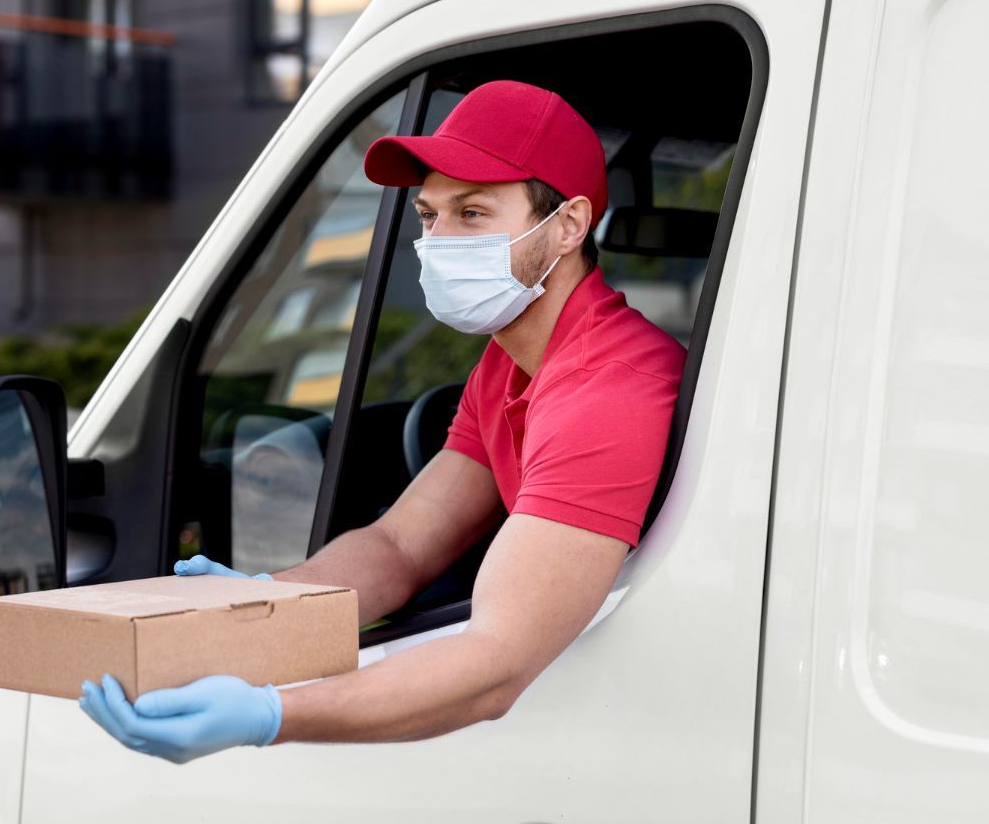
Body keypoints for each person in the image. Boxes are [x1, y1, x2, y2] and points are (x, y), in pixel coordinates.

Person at [80, 80, 686, 764]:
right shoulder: (512, 358)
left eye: (474, 212)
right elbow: (402, 543)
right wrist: (269, 600)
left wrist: (269, 714)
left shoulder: (609, 388)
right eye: (429, 215)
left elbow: (496, 664)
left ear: (569, 226)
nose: (438, 240)